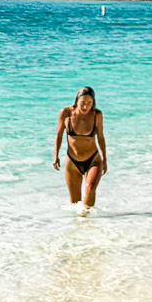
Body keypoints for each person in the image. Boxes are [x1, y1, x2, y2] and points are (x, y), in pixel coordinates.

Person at [53, 86, 107, 216]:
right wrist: (55, 156)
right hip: (72, 162)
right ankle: (79, 230)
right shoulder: (66, 113)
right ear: (77, 100)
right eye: (82, 103)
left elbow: (100, 137)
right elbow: (58, 135)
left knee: (90, 188)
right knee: (75, 204)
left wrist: (104, 159)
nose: (85, 107)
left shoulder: (96, 115)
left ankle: (87, 222)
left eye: (89, 103)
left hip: (93, 159)